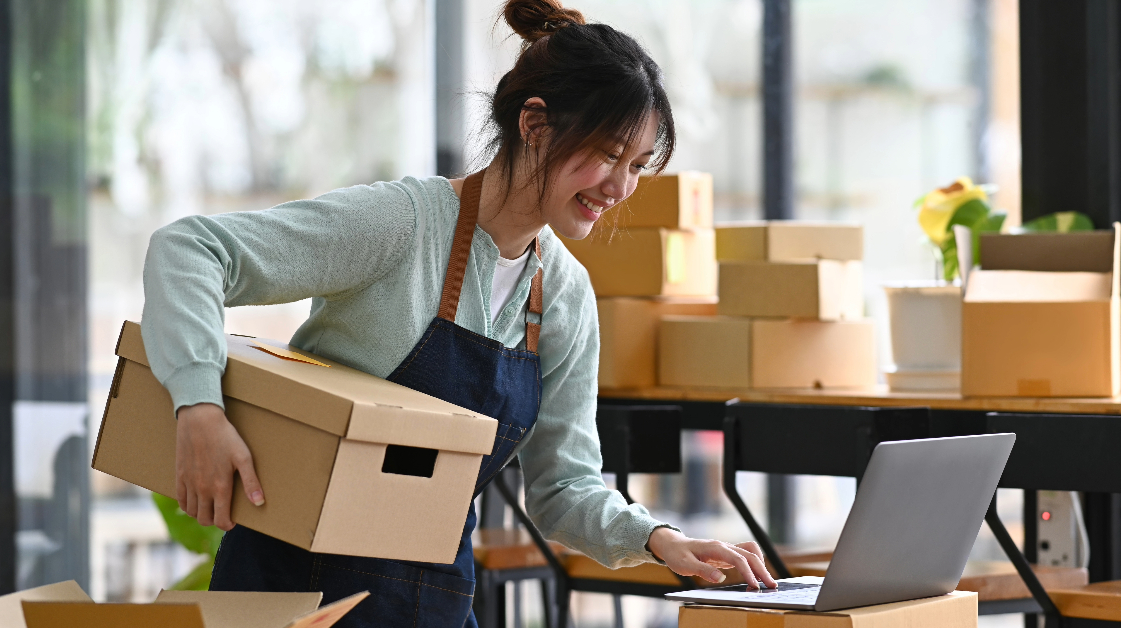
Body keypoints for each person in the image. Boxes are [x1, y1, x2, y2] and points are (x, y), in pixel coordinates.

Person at [141, 0, 775, 625]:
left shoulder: (566, 296)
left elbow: (563, 488)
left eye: (636, 166)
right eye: (609, 154)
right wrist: (199, 407)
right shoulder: (402, 226)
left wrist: (658, 539)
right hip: (287, 592)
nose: (621, 188)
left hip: (432, 600)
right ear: (535, 124)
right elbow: (191, 250)